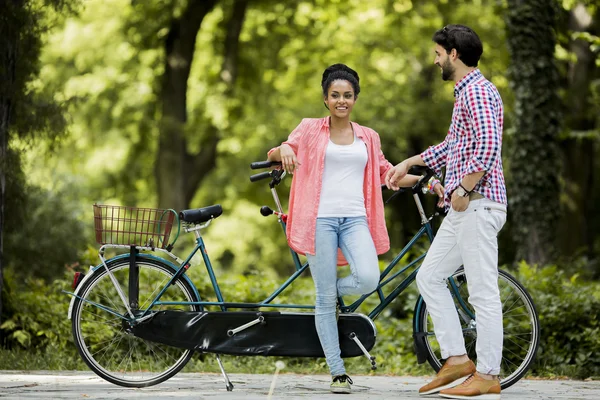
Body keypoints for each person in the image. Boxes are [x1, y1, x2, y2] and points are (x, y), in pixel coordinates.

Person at [267, 63, 442, 394]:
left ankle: (329, 292)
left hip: (355, 219)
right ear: (325, 99)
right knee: (323, 299)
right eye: (335, 96)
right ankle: (337, 372)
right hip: (318, 218)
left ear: (355, 99)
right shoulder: (308, 129)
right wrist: (286, 148)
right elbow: (279, 152)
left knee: (368, 278)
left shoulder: (368, 137)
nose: (341, 101)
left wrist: (426, 184)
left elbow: (387, 174)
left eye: (347, 95)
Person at [386, 25, 507, 399]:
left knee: (483, 293)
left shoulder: (479, 92)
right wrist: (410, 161)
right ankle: (457, 358)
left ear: (454, 53)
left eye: (438, 53)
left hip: (478, 204)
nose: (435, 59)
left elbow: (487, 146)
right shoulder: (465, 94)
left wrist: (465, 188)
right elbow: (452, 146)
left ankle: (488, 373)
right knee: (431, 277)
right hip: (464, 208)